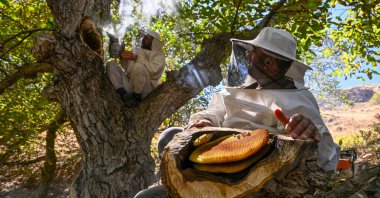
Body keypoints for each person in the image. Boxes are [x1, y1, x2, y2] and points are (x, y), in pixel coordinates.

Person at [135, 27, 340, 197]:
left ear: (269, 62)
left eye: (253, 52)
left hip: (255, 180)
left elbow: (328, 157)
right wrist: (204, 121)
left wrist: (310, 134)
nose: (248, 55)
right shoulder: (235, 90)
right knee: (168, 139)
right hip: (209, 160)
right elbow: (214, 111)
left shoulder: (298, 99)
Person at [107, 29, 166, 107]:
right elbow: (128, 69)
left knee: (139, 66)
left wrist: (136, 58)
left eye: (147, 38)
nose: (143, 39)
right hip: (131, 85)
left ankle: (136, 97)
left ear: (154, 42)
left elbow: (153, 70)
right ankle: (123, 93)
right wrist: (121, 55)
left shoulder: (159, 56)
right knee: (111, 64)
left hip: (145, 90)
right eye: (144, 37)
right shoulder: (139, 51)